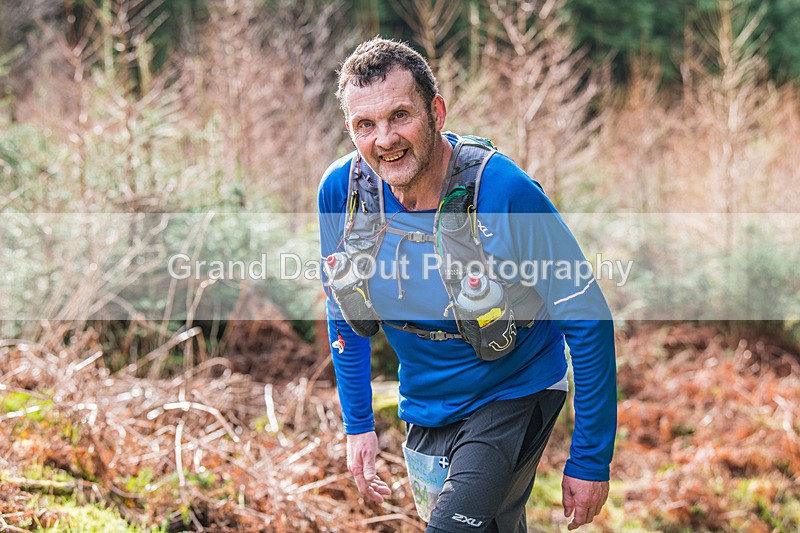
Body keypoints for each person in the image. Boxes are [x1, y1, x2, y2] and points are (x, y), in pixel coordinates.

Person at [318, 37, 616, 532]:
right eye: (365, 125)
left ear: (436, 110)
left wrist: (590, 457)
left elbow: (587, 316)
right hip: (426, 402)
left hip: (514, 388)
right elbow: (341, 307)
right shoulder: (343, 194)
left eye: (400, 116)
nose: (385, 139)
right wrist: (359, 424)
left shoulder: (503, 192)